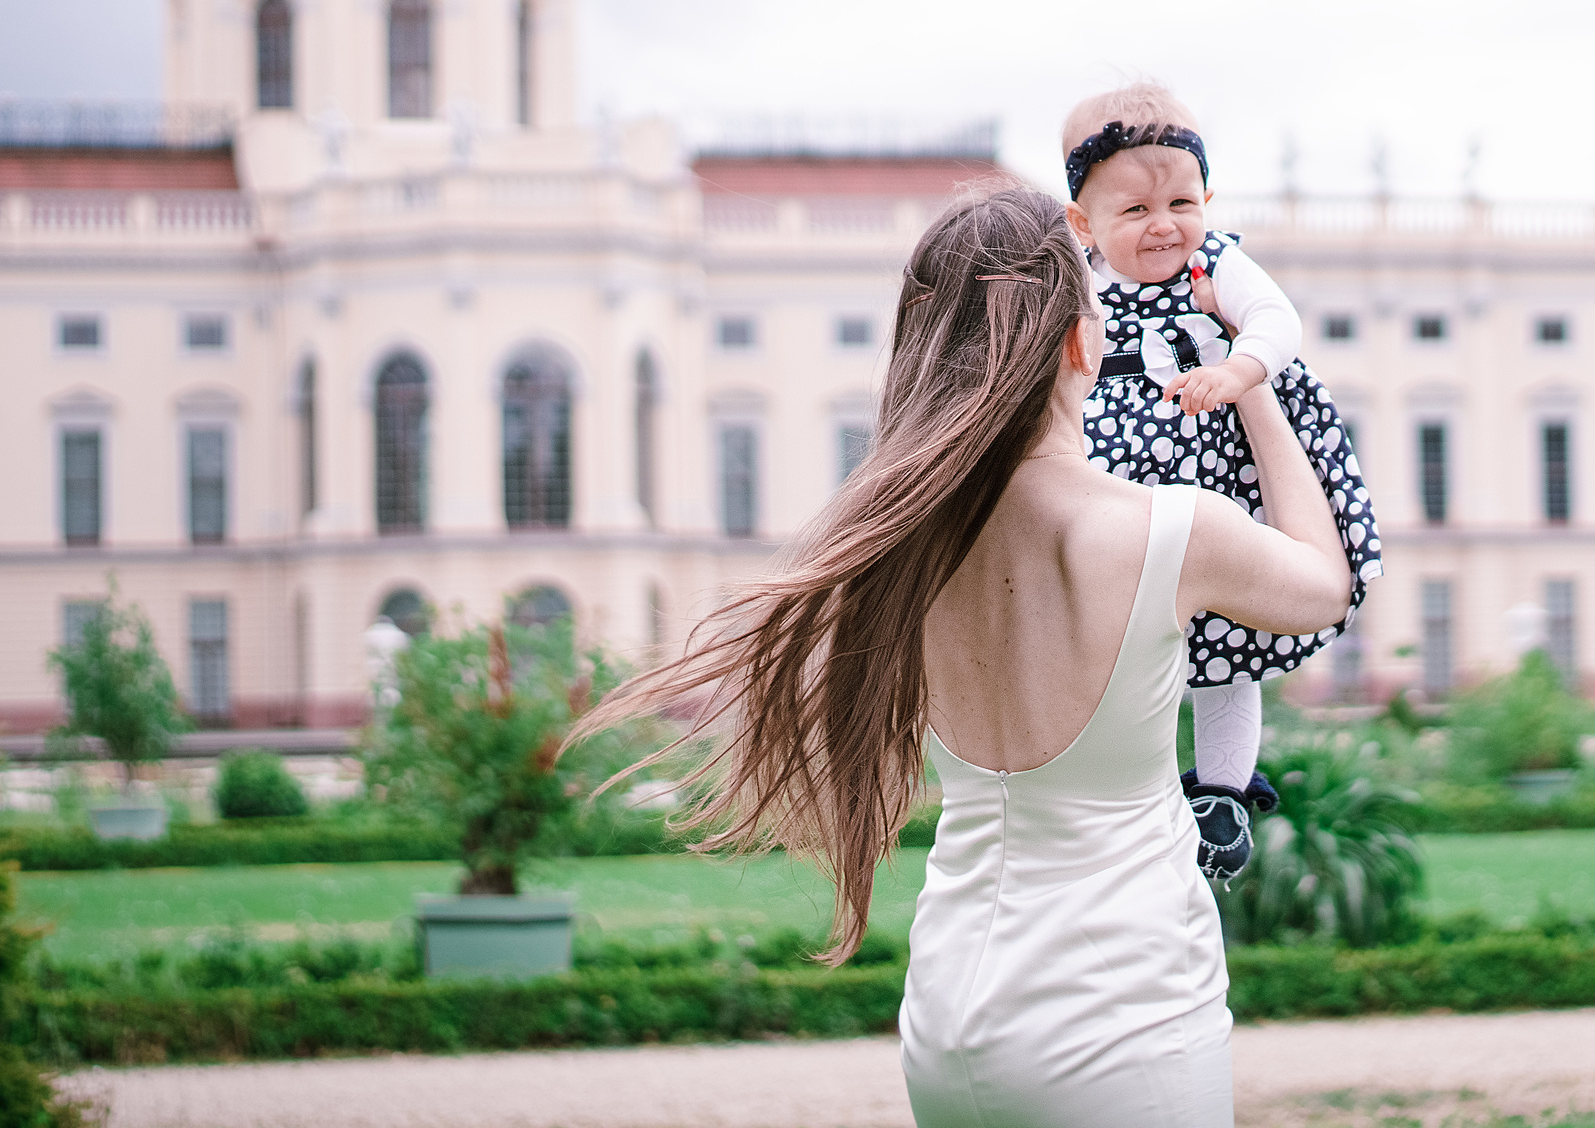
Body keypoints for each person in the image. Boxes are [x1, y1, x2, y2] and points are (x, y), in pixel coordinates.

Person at [577, 186, 1350, 1127]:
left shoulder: (900, 541)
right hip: (1127, 1012)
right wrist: (1250, 381)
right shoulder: (1163, 528)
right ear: (1080, 341)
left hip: (949, 1015)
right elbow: (1322, 579)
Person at [1061, 82, 1382, 877]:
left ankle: (1224, 793)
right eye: (1134, 211)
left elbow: (1278, 321)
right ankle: (1124, 784)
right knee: (1128, 631)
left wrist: (1239, 367)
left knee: (1229, 644)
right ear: (1083, 224)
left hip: (1220, 466)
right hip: (1124, 475)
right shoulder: (1078, 280)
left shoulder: (1218, 260)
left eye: (1181, 199)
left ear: (1207, 195)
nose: (1164, 224)